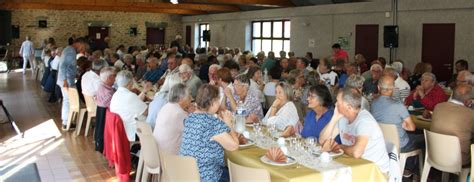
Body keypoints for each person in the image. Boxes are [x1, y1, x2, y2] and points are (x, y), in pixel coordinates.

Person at [319, 87, 389, 173]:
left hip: (376, 171)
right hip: (357, 166)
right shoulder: (343, 117)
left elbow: (357, 152)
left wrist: (340, 147)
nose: (335, 104)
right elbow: (322, 140)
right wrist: (334, 118)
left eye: (338, 102)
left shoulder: (364, 121)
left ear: (348, 107)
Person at [180, 84, 239, 182]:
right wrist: (229, 124)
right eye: (218, 101)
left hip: (186, 173)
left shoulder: (190, 118)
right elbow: (234, 146)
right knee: (236, 176)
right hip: (205, 176)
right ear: (213, 102)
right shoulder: (212, 122)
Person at [430, 84, 474, 165]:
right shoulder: (470, 114)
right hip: (459, 160)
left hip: (434, 154)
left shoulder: (438, 107)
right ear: (469, 101)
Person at [371, 76, 416, 152]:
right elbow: (412, 128)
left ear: (378, 88)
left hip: (382, 143)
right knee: (425, 140)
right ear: (393, 89)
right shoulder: (398, 106)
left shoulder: (373, 104)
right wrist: (404, 125)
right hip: (400, 145)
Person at [110, 70, 151, 141]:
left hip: (121, 129)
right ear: (130, 83)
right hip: (132, 132)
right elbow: (147, 112)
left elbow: (134, 101)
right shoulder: (130, 96)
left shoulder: (116, 94)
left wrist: (144, 91)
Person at [153, 84, 193, 155]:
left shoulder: (166, 107)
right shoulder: (179, 113)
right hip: (170, 158)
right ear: (181, 98)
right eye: (189, 96)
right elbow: (194, 133)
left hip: (157, 152)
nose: (191, 98)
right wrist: (193, 114)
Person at [57, 37, 87, 130]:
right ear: (79, 43)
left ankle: (68, 121)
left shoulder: (69, 50)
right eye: (83, 47)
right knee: (68, 101)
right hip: (67, 81)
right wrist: (65, 81)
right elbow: (62, 66)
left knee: (69, 101)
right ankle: (66, 122)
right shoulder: (70, 51)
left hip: (68, 80)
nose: (83, 49)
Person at [94, 67, 117, 152]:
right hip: (105, 113)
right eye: (114, 76)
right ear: (109, 78)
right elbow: (114, 105)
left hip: (101, 110)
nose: (115, 79)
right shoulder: (107, 91)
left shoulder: (103, 85)